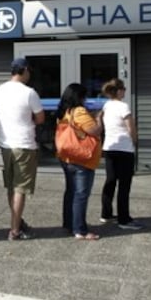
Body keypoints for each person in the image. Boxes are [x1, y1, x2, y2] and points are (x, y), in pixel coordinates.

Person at [0, 57, 45, 241]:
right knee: (20, 189)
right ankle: (15, 230)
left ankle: (17, 221)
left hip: (6, 144)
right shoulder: (29, 92)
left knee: (11, 187)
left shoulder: (0, 90)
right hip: (24, 145)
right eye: (29, 71)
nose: (30, 74)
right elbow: (40, 118)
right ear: (23, 70)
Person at [57, 83, 103, 240]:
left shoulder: (65, 111)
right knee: (81, 195)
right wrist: (98, 119)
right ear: (80, 97)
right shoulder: (79, 111)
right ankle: (80, 230)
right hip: (81, 159)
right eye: (84, 96)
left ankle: (69, 224)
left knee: (71, 192)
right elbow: (94, 131)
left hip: (67, 157)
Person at [99, 78, 143, 230]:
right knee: (124, 184)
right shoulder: (123, 106)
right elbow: (131, 128)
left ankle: (106, 213)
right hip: (124, 148)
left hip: (109, 147)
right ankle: (124, 219)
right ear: (118, 91)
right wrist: (135, 141)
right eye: (123, 88)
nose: (124, 91)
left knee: (110, 180)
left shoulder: (106, 105)